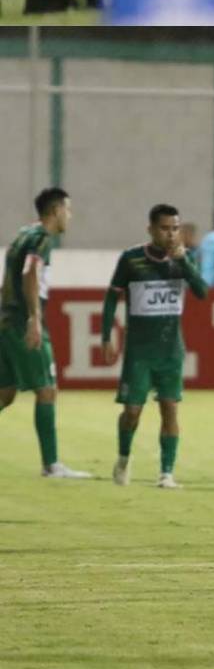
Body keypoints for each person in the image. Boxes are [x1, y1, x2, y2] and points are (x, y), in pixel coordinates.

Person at [101, 203, 208, 489]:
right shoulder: (132, 259)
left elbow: (202, 291)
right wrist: (106, 335)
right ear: (151, 229)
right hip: (139, 353)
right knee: (132, 412)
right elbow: (112, 296)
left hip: (170, 350)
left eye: (175, 228)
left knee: (170, 408)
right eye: (165, 228)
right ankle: (123, 457)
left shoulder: (185, 259)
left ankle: (166, 473)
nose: (171, 234)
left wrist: (184, 261)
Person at [0, 187, 90, 478]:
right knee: (47, 389)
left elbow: (9, 277)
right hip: (21, 321)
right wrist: (34, 318)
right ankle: (51, 465)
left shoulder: (23, 234)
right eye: (68, 209)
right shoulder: (42, 239)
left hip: (5, 319)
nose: (70, 216)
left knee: (5, 393)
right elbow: (30, 272)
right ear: (56, 211)